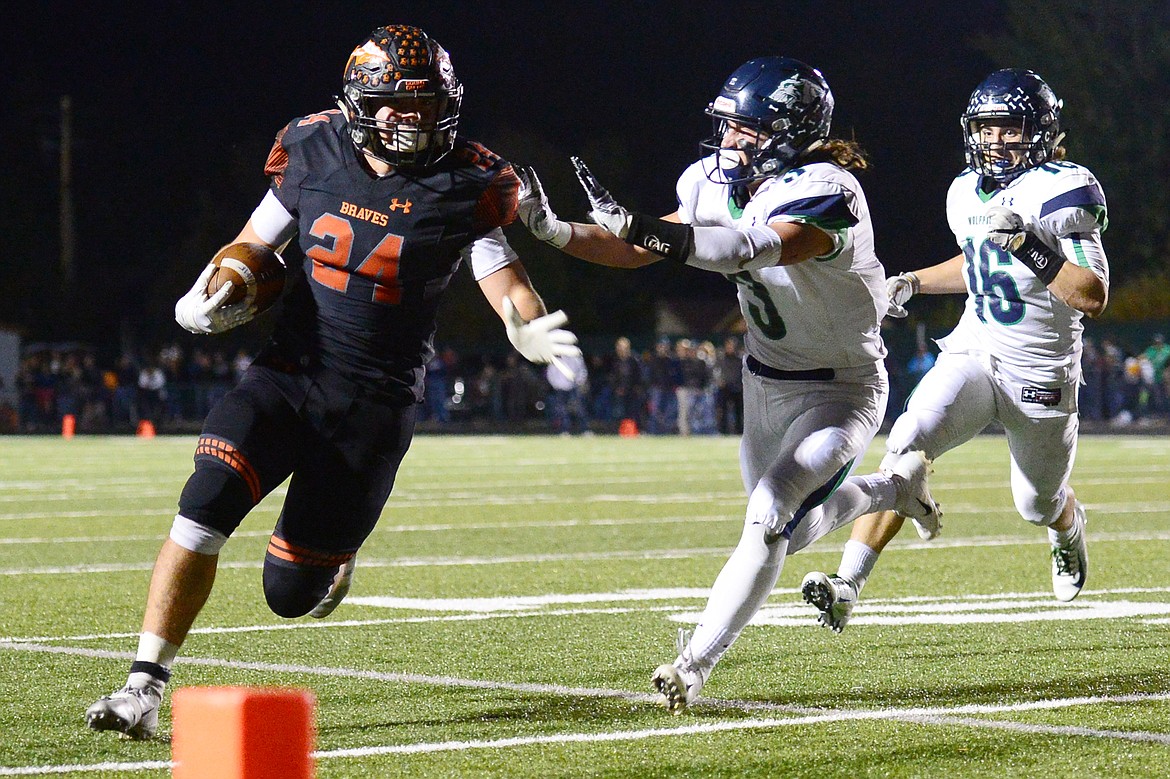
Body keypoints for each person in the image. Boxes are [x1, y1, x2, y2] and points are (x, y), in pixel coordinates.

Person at [85, 24, 579, 740]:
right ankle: (142, 686)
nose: (413, 120)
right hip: (291, 370)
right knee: (204, 499)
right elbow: (256, 243)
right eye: (397, 106)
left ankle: (334, 558)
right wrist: (208, 293)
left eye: (426, 106)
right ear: (358, 103)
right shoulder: (312, 147)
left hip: (373, 407)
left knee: (288, 594)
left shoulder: (471, 180)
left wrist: (522, 323)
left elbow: (501, 274)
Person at [513, 56, 938, 713]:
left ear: (790, 132)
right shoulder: (711, 181)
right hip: (764, 382)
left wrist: (645, 229)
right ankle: (894, 487)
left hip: (842, 389)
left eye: (747, 130)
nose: (731, 142)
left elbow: (748, 248)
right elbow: (640, 243)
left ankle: (691, 665)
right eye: (730, 128)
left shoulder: (828, 189)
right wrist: (556, 231)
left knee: (770, 511)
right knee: (785, 533)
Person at [802, 68, 1109, 634]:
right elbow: (976, 264)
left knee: (1035, 504)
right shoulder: (964, 189)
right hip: (975, 348)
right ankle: (847, 584)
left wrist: (1026, 243)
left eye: (1010, 128)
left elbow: (1090, 295)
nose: (995, 141)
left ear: (1039, 132)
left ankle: (1067, 526)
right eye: (986, 129)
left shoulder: (1064, 188)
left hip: (1040, 367)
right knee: (905, 445)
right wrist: (912, 281)